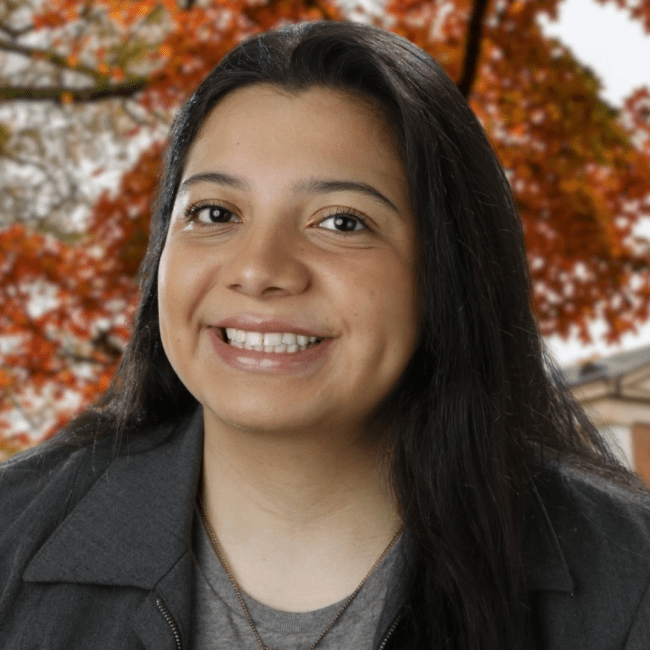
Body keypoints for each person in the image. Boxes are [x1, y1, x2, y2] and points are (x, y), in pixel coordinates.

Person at [1, 20, 649, 650]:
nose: (259, 270)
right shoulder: (11, 535)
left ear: (446, 271)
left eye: (341, 222)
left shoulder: (628, 585)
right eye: (215, 212)